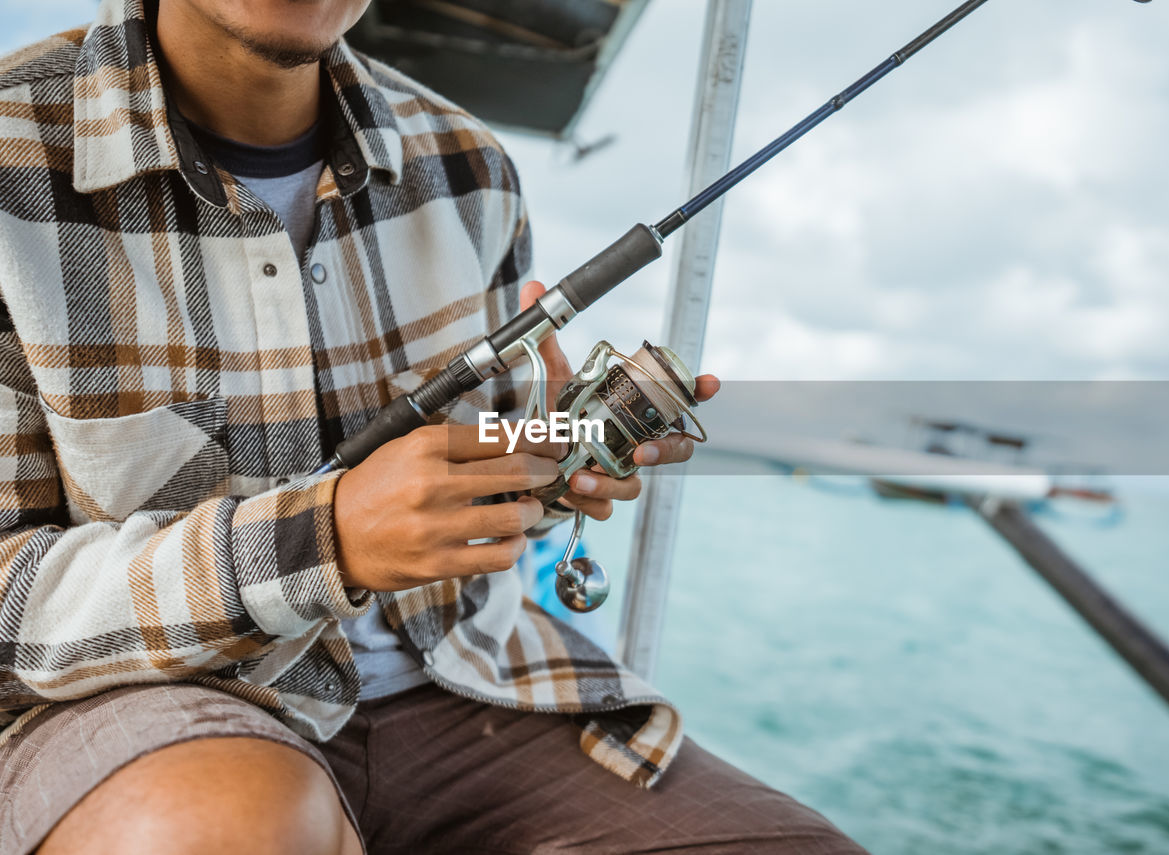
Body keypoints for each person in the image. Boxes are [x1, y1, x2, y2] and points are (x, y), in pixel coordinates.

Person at [0, 1, 867, 853]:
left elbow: (474, 468)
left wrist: (544, 465)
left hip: (474, 680)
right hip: (134, 705)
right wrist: (326, 539)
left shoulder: (473, 166)